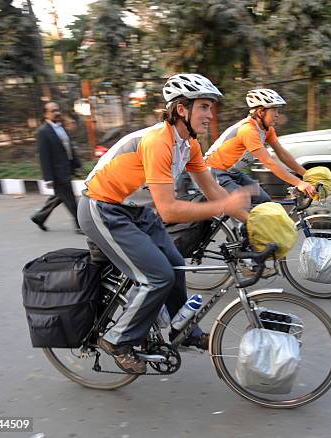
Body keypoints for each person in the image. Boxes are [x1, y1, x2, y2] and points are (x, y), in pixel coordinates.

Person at [78, 74, 252, 374]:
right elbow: (169, 210)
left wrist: (252, 224)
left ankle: (183, 331)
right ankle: (118, 340)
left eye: (210, 108)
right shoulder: (159, 142)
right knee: (157, 275)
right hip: (103, 207)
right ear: (182, 109)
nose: (211, 115)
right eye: (204, 107)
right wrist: (225, 206)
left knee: (175, 264)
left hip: (135, 211)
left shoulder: (189, 144)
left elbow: (213, 189)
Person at [204, 88, 317, 203]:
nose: (277, 115)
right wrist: (299, 183)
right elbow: (268, 162)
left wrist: (307, 174)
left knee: (265, 201)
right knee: (241, 204)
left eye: (278, 111)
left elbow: (282, 154)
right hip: (214, 172)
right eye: (274, 110)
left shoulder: (267, 129)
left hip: (234, 173)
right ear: (260, 112)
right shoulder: (248, 130)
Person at [31, 102, 82, 233]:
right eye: (53, 110)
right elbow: (44, 156)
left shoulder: (61, 128)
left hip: (67, 168)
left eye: (57, 110)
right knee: (70, 198)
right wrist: (48, 177)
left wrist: (76, 164)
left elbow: (68, 148)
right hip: (57, 172)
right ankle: (79, 225)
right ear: (46, 114)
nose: (57, 113)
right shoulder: (43, 132)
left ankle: (39, 217)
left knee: (60, 196)